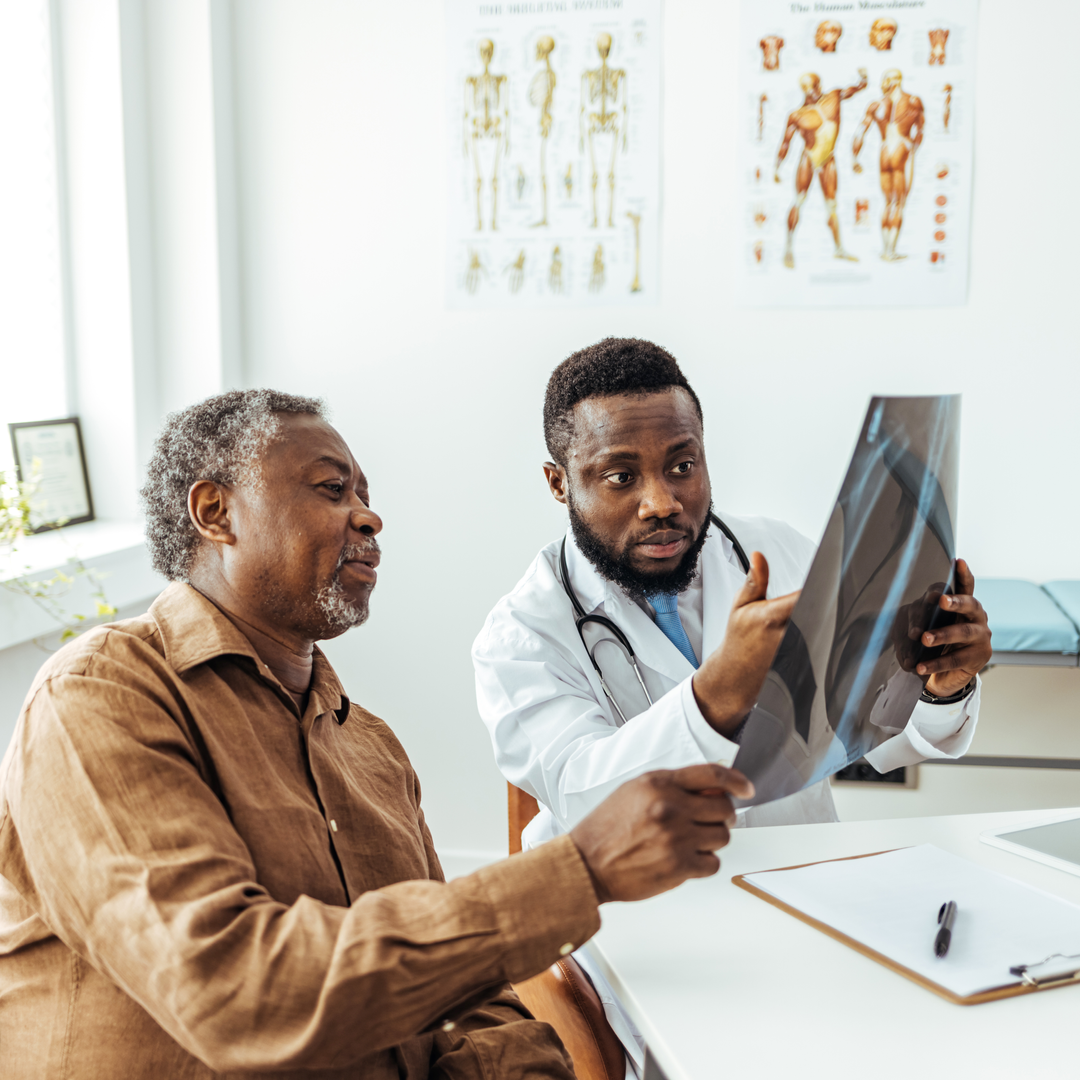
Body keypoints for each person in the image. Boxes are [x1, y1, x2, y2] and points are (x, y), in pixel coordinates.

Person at [0, 389, 753, 1080]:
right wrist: (579, 869)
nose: (368, 516)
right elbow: (233, 995)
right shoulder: (101, 696)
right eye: (334, 490)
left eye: (366, 495)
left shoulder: (369, 749)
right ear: (215, 513)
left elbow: (469, 1004)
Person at [472, 338, 992, 1071]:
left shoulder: (775, 551)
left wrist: (943, 685)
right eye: (620, 476)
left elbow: (867, 734)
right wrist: (717, 693)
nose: (662, 501)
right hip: (649, 928)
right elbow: (586, 794)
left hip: (806, 888)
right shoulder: (522, 635)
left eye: (682, 465)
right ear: (560, 484)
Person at [775, 69, 868, 268]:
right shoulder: (797, 115)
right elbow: (785, 143)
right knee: (799, 200)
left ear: (819, 84)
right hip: (808, 158)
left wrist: (863, 80)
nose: (809, 91)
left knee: (831, 205)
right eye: (805, 88)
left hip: (828, 159)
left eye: (812, 86)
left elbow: (854, 90)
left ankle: (838, 249)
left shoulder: (833, 97)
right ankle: (788, 248)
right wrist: (777, 166)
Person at [852, 69, 925, 262]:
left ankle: (886, 249)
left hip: (884, 150)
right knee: (899, 203)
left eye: (885, 80)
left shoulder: (876, 105)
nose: (882, 83)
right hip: (902, 147)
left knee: (888, 202)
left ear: (892, 81)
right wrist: (912, 150)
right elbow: (920, 131)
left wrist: (854, 158)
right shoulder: (913, 101)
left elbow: (860, 133)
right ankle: (891, 250)